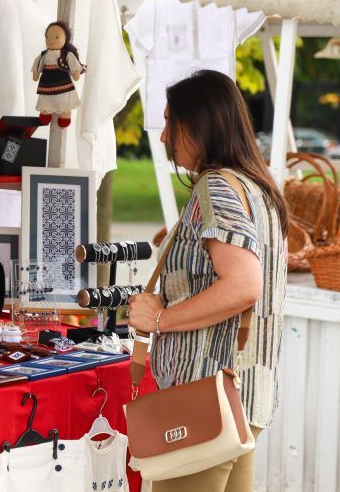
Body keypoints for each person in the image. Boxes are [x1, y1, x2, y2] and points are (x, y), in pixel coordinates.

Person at [127, 69, 289, 491]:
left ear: (199, 125)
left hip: (204, 399)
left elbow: (243, 285)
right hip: (241, 396)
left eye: (169, 122)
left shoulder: (217, 187)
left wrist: (160, 318)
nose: (163, 137)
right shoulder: (257, 188)